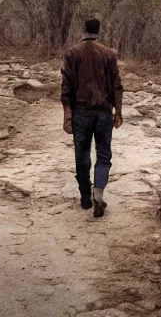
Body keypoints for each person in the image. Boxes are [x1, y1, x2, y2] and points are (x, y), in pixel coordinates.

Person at [60, 18, 123, 218]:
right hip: (104, 112)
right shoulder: (109, 54)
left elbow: (66, 87)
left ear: (84, 30)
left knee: (82, 153)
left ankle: (85, 195)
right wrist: (118, 112)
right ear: (98, 32)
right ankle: (99, 193)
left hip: (81, 112)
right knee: (103, 154)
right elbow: (117, 86)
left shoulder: (71, 54)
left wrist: (67, 114)